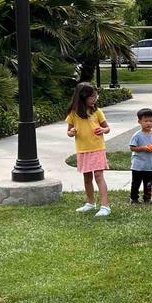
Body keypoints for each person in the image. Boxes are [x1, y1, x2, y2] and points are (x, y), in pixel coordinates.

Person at [66, 82, 111, 217]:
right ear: (82, 97)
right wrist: (72, 132)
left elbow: (107, 128)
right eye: (91, 97)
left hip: (97, 148)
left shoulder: (97, 111)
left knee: (98, 176)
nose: (94, 99)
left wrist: (103, 129)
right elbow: (68, 131)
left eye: (95, 96)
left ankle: (105, 206)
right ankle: (90, 203)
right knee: (87, 177)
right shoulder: (73, 114)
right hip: (82, 150)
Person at [128, 108, 152, 205]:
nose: (148, 123)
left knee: (148, 183)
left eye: (151, 121)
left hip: (149, 165)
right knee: (136, 183)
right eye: (145, 121)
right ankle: (134, 198)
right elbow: (132, 148)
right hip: (138, 165)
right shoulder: (137, 135)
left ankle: (147, 198)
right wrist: (144, 148)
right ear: (139, 122)